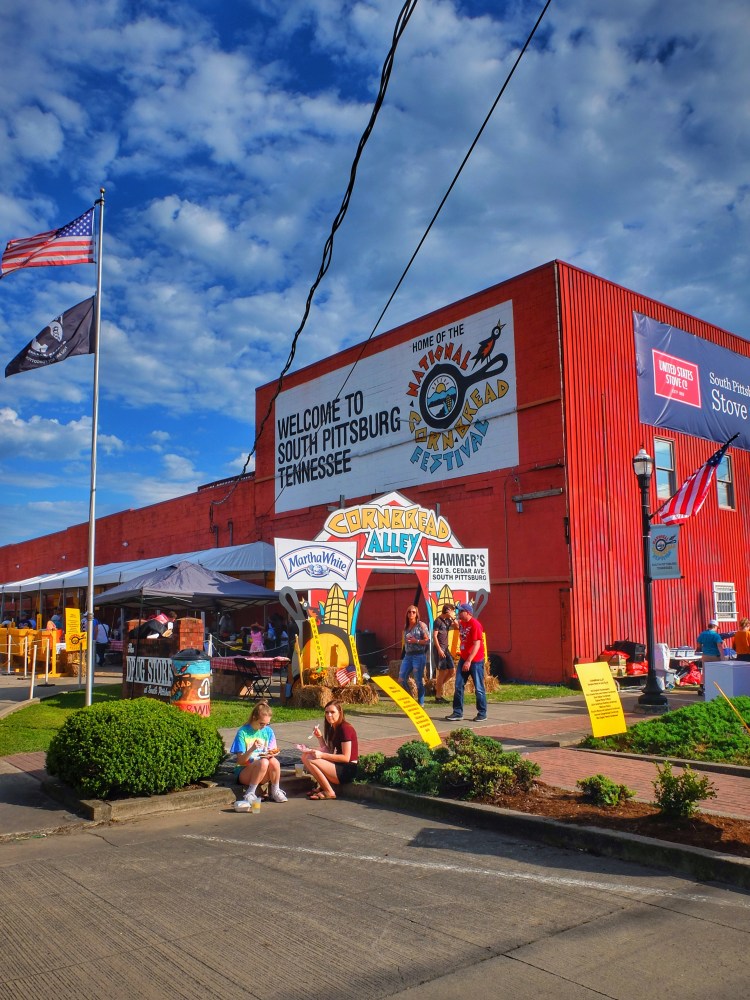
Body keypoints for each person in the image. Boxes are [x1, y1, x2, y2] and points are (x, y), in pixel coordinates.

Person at [231, 701, 287, 810]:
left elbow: (272, 751)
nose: (264, 727)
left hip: (262, 771)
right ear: (254, 718)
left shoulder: (268, 731)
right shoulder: (243, 732)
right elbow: (240, 761)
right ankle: (250, 793)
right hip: (244, 771)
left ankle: (275, 790)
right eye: (261, 723)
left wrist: (272, 753)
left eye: (267, 724)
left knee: (274, 762)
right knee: (264, 762)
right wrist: (252, 749)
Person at [301, 700, 358, 800]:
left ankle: (329, 791)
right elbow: (330, 752)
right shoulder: (333, 728)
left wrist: (321, 755)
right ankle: (323, 787)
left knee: (310, 758)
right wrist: (320, 738)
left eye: (332, 712)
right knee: (305, 756)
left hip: (348, 769)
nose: (329, 715)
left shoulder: (345, 728)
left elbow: (346, 758)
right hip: (339, 766)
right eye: (327, 712)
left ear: (340, 713)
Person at [446, 602, 487, 722]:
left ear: (468, 613)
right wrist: (450, 615)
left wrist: (469, 661)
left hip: (475, 660)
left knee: (478, 687)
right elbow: (456, 624)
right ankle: (457, 712)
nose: (458, 613)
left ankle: (482, 713)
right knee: (458, 685)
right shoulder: (462, 623)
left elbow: (477, 645)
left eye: (460, 611)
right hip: (464, 658)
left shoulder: (475, 625)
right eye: (458, 611)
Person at [398, 604, 430, 706]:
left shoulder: (421, 625)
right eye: (409, 612)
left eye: (413, 612)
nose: (411, 614)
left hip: (418, 655)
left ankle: (421, 703)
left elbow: (428, 641)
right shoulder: (406, 626)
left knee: (418, 680)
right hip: (408, 655)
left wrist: (416, 641)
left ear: (417, 614)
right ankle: (411, 700)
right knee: (401, 678)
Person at [432, 603, 457, 704]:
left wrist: (452, 617)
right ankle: (438, 696)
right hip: (440, 649)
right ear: (447, 610)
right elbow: (434, 636)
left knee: (452, 671)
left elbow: (458, 626)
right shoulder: (438, 621)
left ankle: (438, 687)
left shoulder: (448, 620)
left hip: (446, 649)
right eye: (452, 610)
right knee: (442, 672)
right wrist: (439, 649)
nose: (453, 612)